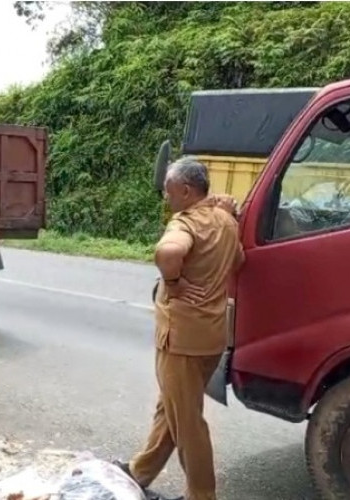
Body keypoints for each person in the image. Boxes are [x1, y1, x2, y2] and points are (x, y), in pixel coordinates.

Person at [117, 157, 244, 500]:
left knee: (188, 423)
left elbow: (167, 251)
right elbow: (239, 261)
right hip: (211, 338)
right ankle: (140, 471)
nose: (166, 197)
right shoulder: (226, 221)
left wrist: (173, 281)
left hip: (182, 340)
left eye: (168, 190)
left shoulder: (184, 223)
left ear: (186, 191)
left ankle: (202, 495)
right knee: (171, 408)